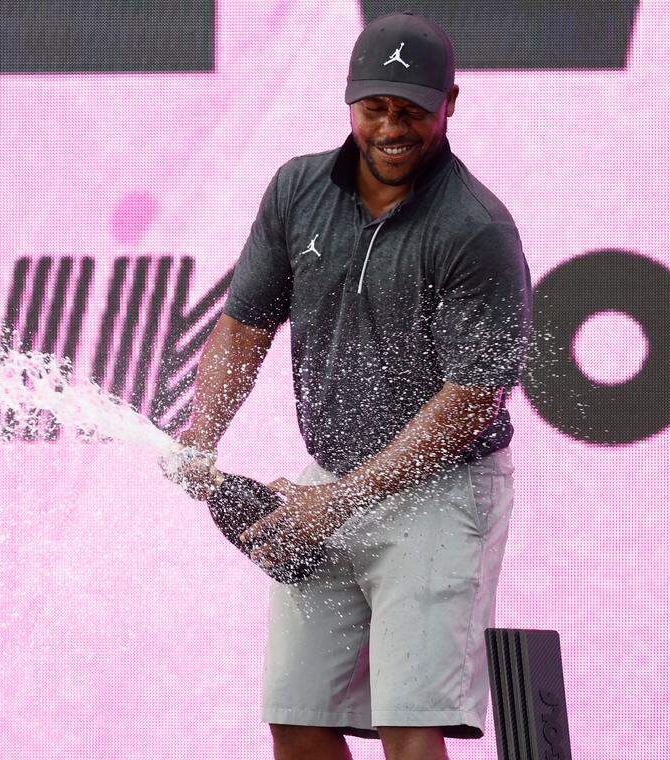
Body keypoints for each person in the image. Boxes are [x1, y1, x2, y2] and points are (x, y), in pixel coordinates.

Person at [164, 11, 532, 760]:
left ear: (450, 104)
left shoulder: (475, 228)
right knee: (297, 722)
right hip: (326, 481)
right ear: (349, 102)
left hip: (444, 491)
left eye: (413, 111)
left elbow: (469, 404)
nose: (392, 127)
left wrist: (334, 502)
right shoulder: (297, 190)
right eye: (376, 108)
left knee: (410, 724)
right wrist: (201, 435)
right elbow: (244, 328)